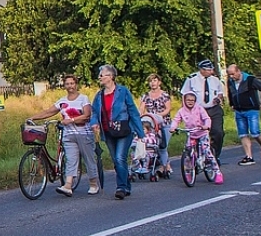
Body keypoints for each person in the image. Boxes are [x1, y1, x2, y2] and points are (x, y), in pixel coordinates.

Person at [28, 74, 97, 197]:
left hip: (84, 134)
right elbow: (49, 111)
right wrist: (33, 117)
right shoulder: (62, 101)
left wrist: (70, 120)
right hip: (69, 135)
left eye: (72, 83)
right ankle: (68, 185)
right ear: (64, 85)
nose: (70, 86)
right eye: (67, 84)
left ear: (76, 84)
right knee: (71, 159)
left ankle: (93, 183)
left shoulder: (83, 98)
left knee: (88, 158)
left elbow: (87, 115)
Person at [95, 65, 144, 199]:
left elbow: (132, 110)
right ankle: (126, 185)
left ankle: (121, 187)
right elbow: (94, 111)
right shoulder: (99, 95)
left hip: (124, 130)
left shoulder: (123, 91)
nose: (99, 77)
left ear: (110, 77)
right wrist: (94, 123)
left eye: (102, 75)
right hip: (108, 131)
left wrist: (140, 133)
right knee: (116, 161)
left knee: (119, 157)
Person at [182, 61, 228, 164]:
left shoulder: (215, 80)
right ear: (202, 70)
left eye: (211, 69)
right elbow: (184, 95)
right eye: (208, 70)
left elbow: (220, 93)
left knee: (218, 133)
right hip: (197, 110)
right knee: (197, 133)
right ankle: (198, 155)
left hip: (213, 109)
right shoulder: (191, 79)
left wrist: (218, 99)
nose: (211, 72)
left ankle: (215, 154)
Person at [227, 63, 261, 166]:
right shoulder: (230, 81)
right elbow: (230, 92)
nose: (231, 77)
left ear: (238, 71)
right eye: (229, 75)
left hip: (251, 109)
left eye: (233, 74)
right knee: (243, 134)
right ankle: (249, 156)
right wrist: (232, 104)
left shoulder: (249, 79)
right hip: (239, 110)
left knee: (255, 132)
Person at [175, 91, 223, 184]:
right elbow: (176, 119)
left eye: (192, 100)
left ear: (195, 101)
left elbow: (206, 118)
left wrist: (206, 126)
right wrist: (173, 127)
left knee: (206, 151)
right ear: (184, 100)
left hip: (202, 133)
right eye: (188, 100)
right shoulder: (182, 111)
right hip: (191, 133)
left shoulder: (199, 109)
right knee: (188, 150)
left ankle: (217, 172)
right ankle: (189, 170)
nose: (190, 102)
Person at [141, 74, 174, 180]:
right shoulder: (146, 95)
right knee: (152, 145)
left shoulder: (164, 95)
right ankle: (162, 166)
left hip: (164, 123)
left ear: (159, 82)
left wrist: (159, 116)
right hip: (151, 124)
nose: (153, 83)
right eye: (151, 81)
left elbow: (168, 108)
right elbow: (141, 108)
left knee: (162, 146)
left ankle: (164, 166)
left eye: (155, 80)